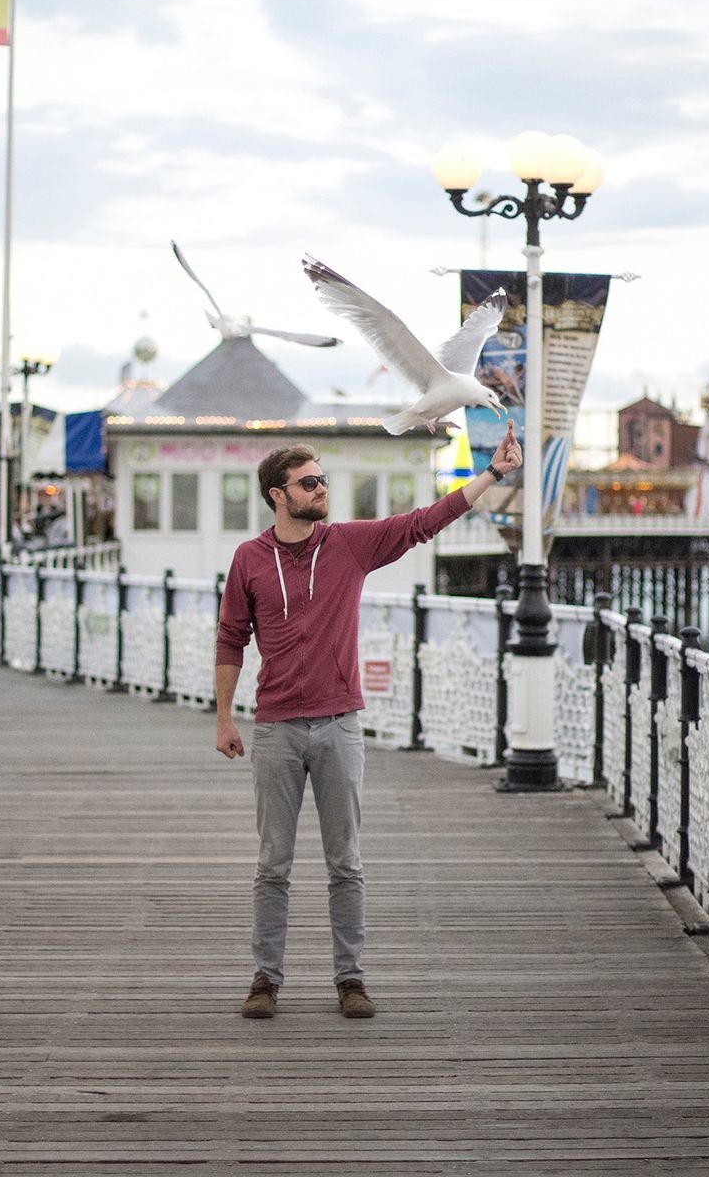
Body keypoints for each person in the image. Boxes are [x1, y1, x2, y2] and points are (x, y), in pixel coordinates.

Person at [215, 421, 523, 1020]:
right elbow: (231, 637)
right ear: (278, 494)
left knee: (345, 861)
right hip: (275, 727)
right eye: (309, 482)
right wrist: (224, 718)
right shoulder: (248, 559)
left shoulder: (348, 545)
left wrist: (491, 473)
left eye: (323, 479)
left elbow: (422, 523)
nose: (321, 489)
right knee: (272, 862)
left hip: (339, 725)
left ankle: (350, 979)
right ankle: (265, 980)